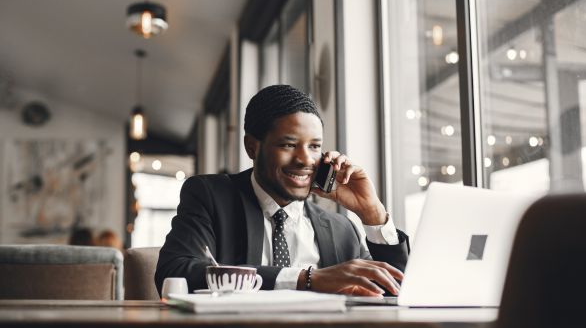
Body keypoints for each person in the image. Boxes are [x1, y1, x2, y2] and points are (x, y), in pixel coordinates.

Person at [155, 85, 409, 296]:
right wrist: (305, 279)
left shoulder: (341, 228)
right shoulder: (212, 196)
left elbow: (395, 291)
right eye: (289, 145)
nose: (305, 160)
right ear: (252, 147)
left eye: (314, 147)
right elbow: (175, 273)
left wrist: (372, 213)